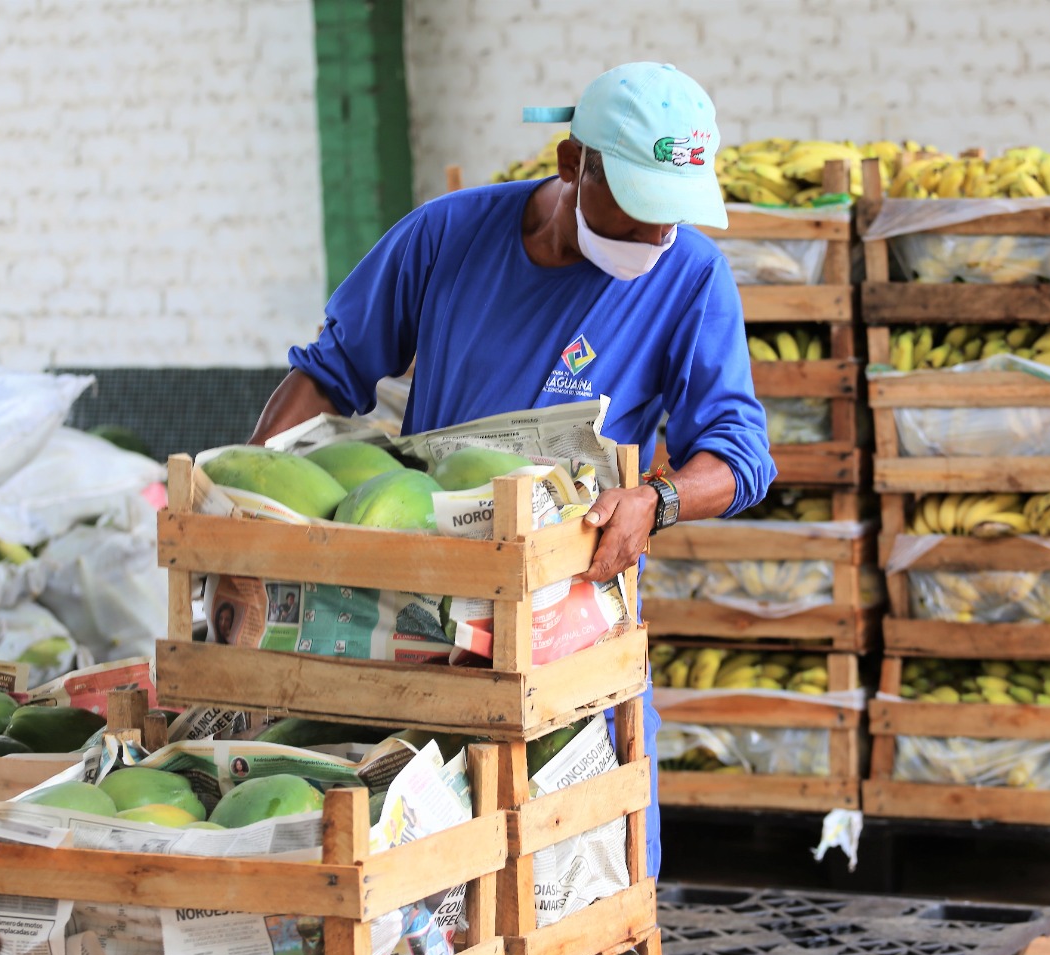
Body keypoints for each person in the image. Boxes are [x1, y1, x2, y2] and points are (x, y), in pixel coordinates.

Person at [249, 63, 774, 877]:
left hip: (569, 626)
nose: (654, 240)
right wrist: (243, 498)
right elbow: (329, 373)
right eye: (636, 211)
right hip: (420, 610)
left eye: (672, 218)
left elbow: (740, 454)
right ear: (574, 164)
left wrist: (657, 500)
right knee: (424, 867)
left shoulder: (691, 275)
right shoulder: (445, 235)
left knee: (589, 870)